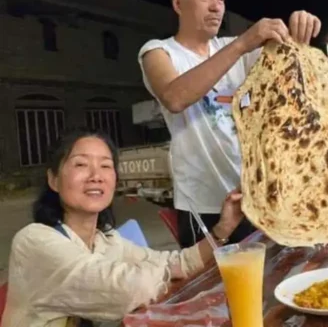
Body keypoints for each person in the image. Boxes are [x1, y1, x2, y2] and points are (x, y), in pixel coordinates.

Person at [138, 0, 322, 248]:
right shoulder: (158, 52)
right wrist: (243, 43)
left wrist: (300, 28)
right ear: (178, 2)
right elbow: (175, 98)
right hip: (203, 205)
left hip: (253, 195)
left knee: (269, 280)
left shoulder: (232, 49)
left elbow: (290, 70)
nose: (216, 6)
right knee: (214, 289)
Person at [1, 130, 244, 327]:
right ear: (53, 180)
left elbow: (180, 261)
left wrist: (223, 228)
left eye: (106, 166)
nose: (96, 175)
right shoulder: (34, 242)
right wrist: (161, 271)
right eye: (81, 164)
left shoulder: (107, 241)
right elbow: (131, 290)